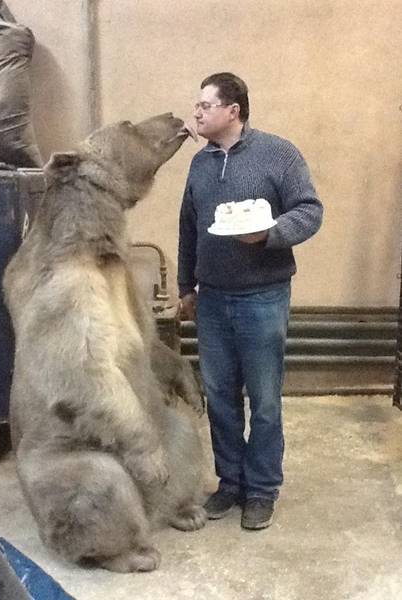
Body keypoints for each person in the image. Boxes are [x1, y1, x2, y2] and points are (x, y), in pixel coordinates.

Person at [178, 72, 323, 530]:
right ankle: (231, 483)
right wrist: (185, 287)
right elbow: (188, 227)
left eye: (205, 106)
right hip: (213, 300)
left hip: (263, 297)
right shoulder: (200, 164)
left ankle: (261, 490)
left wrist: (270, 234)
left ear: (233, 111)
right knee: (219, 398)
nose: (197, 113)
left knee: (263, 401)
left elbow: (309, 211)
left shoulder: (278, 154)